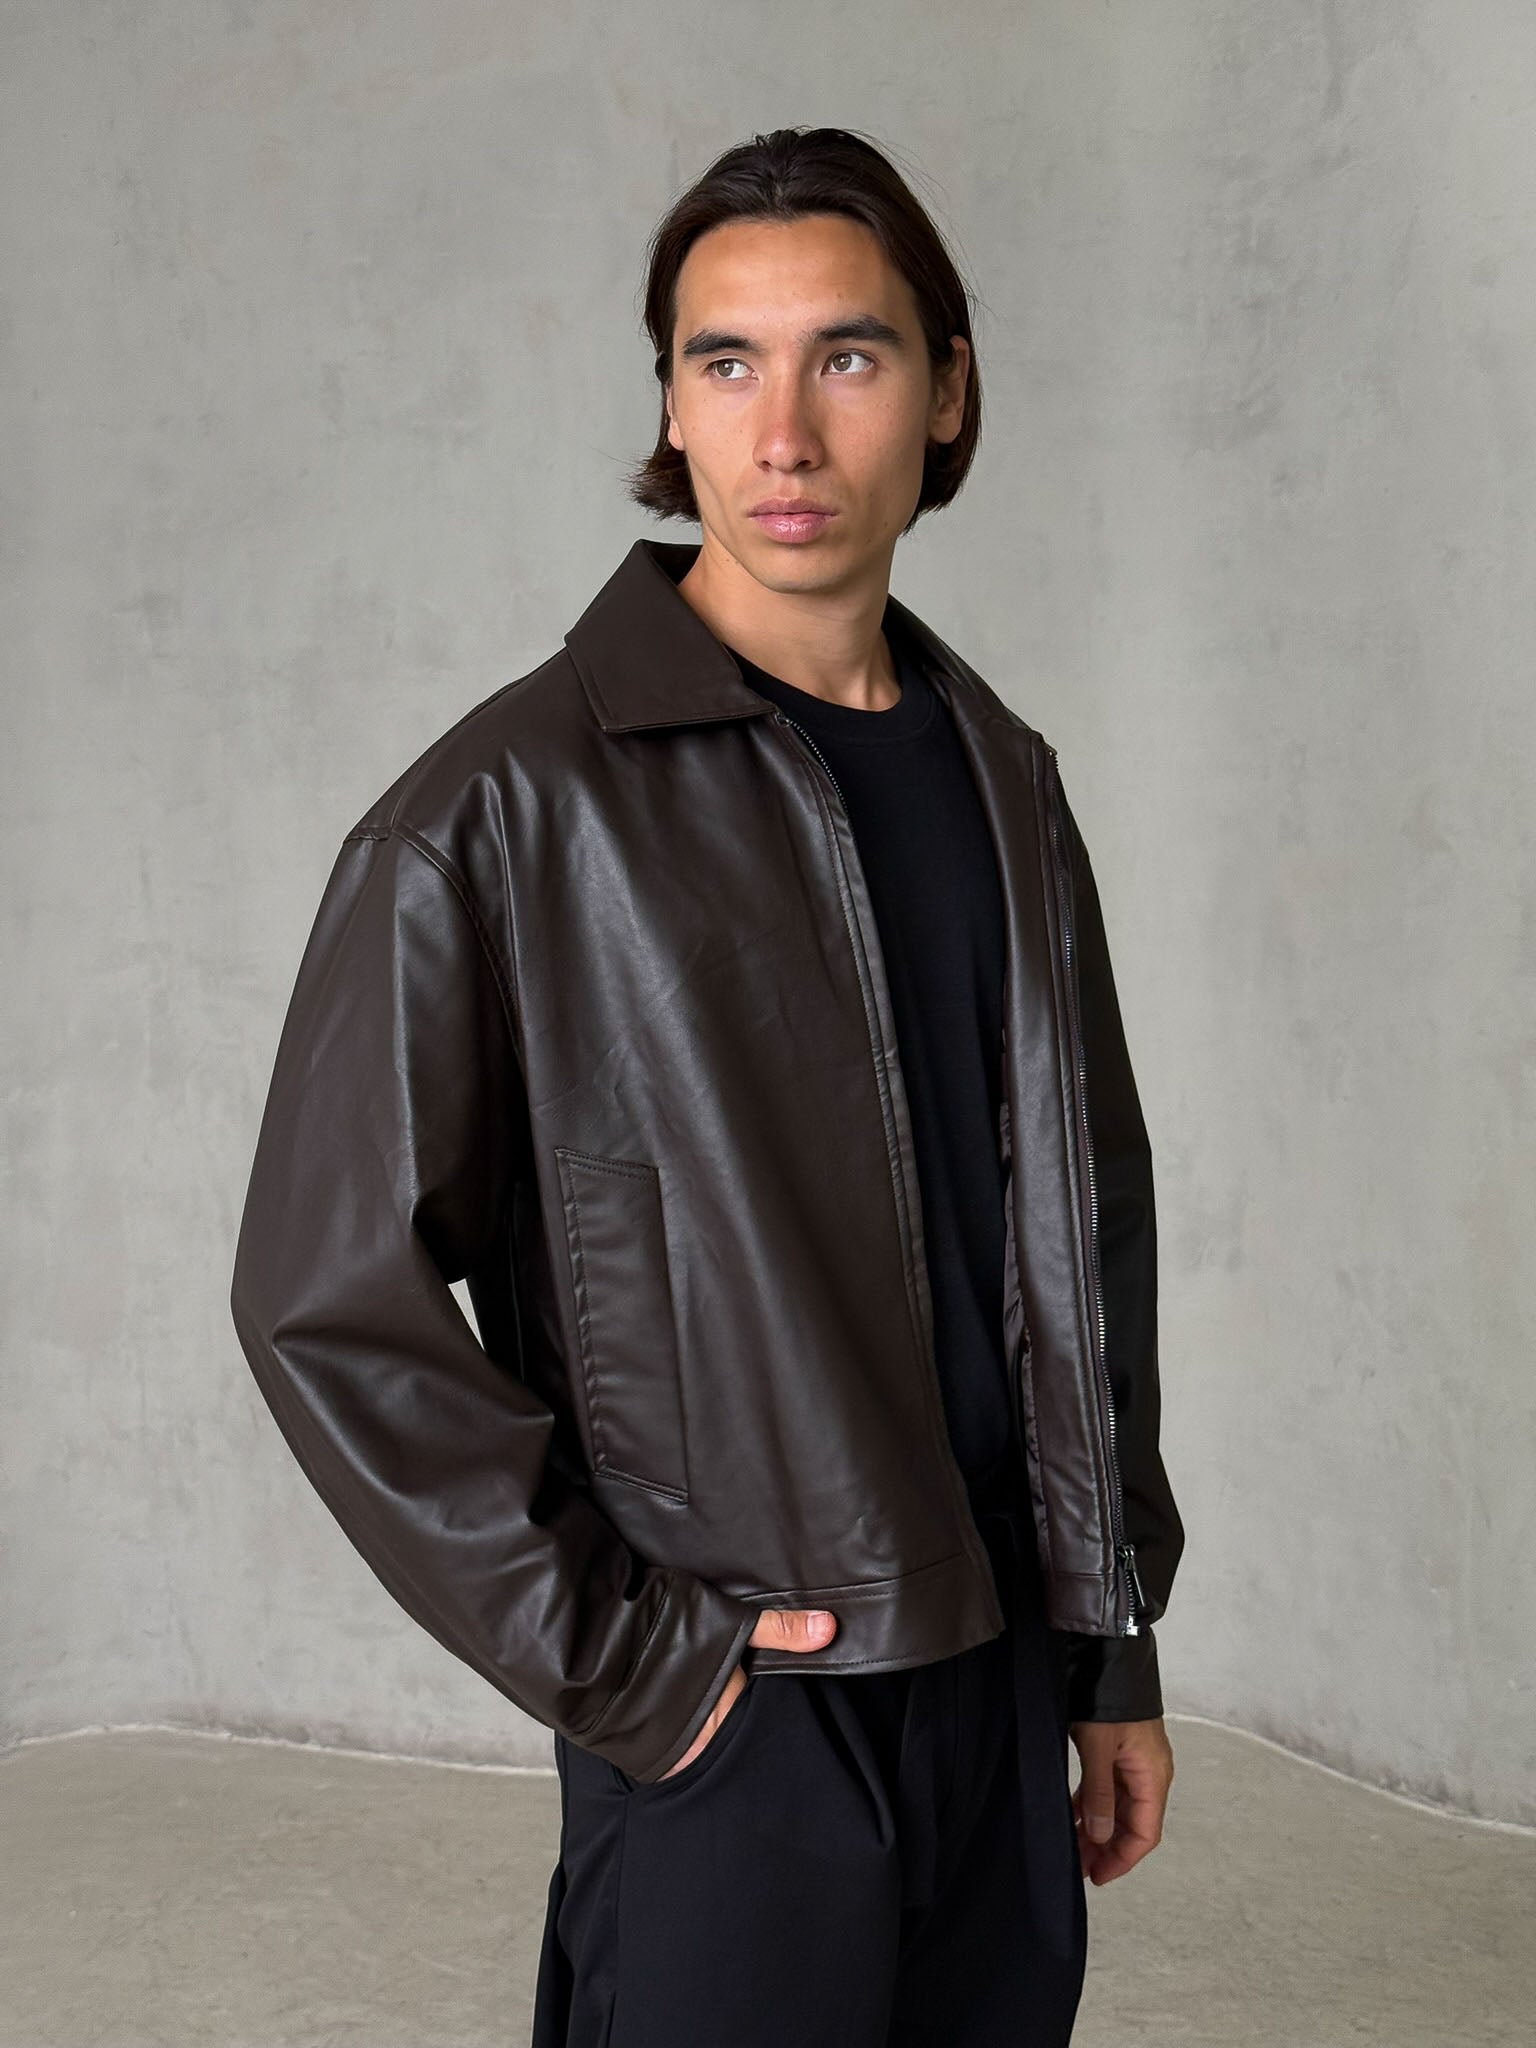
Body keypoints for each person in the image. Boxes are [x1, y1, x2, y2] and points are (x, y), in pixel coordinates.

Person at [230, 125, 1185, 2047]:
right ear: (669, 404)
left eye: (849, 356)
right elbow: (325, 1299)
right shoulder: (499, 813)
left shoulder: (1005, 778)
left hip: (1001, 1669)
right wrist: (635, 1667)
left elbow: (1080, 1237)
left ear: (947, 391)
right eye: (724, 362)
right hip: (739, 1710)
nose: (786, 433)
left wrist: (1106, 1643)